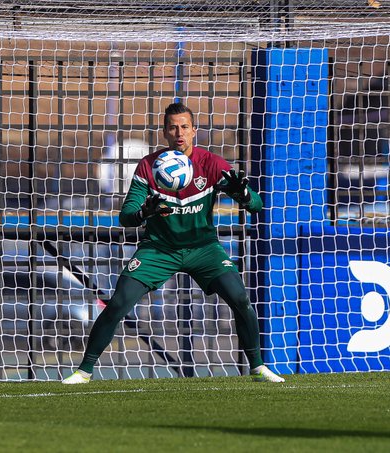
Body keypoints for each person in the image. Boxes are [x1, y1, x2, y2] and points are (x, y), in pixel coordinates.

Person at [62, 102, 285, 384]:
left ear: (194, 131)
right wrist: (145, 212)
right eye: (173, 127)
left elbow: (256, 205)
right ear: (165, 132)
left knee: (240, 298)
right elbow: (126, 216)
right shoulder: (149, 166)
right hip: (159, 250)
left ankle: (257, 367)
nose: (179, 132)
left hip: (203, 249)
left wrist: (243, 195)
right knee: (118, 303)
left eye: (184, 127)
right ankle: (84, 370)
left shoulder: (212, 164)